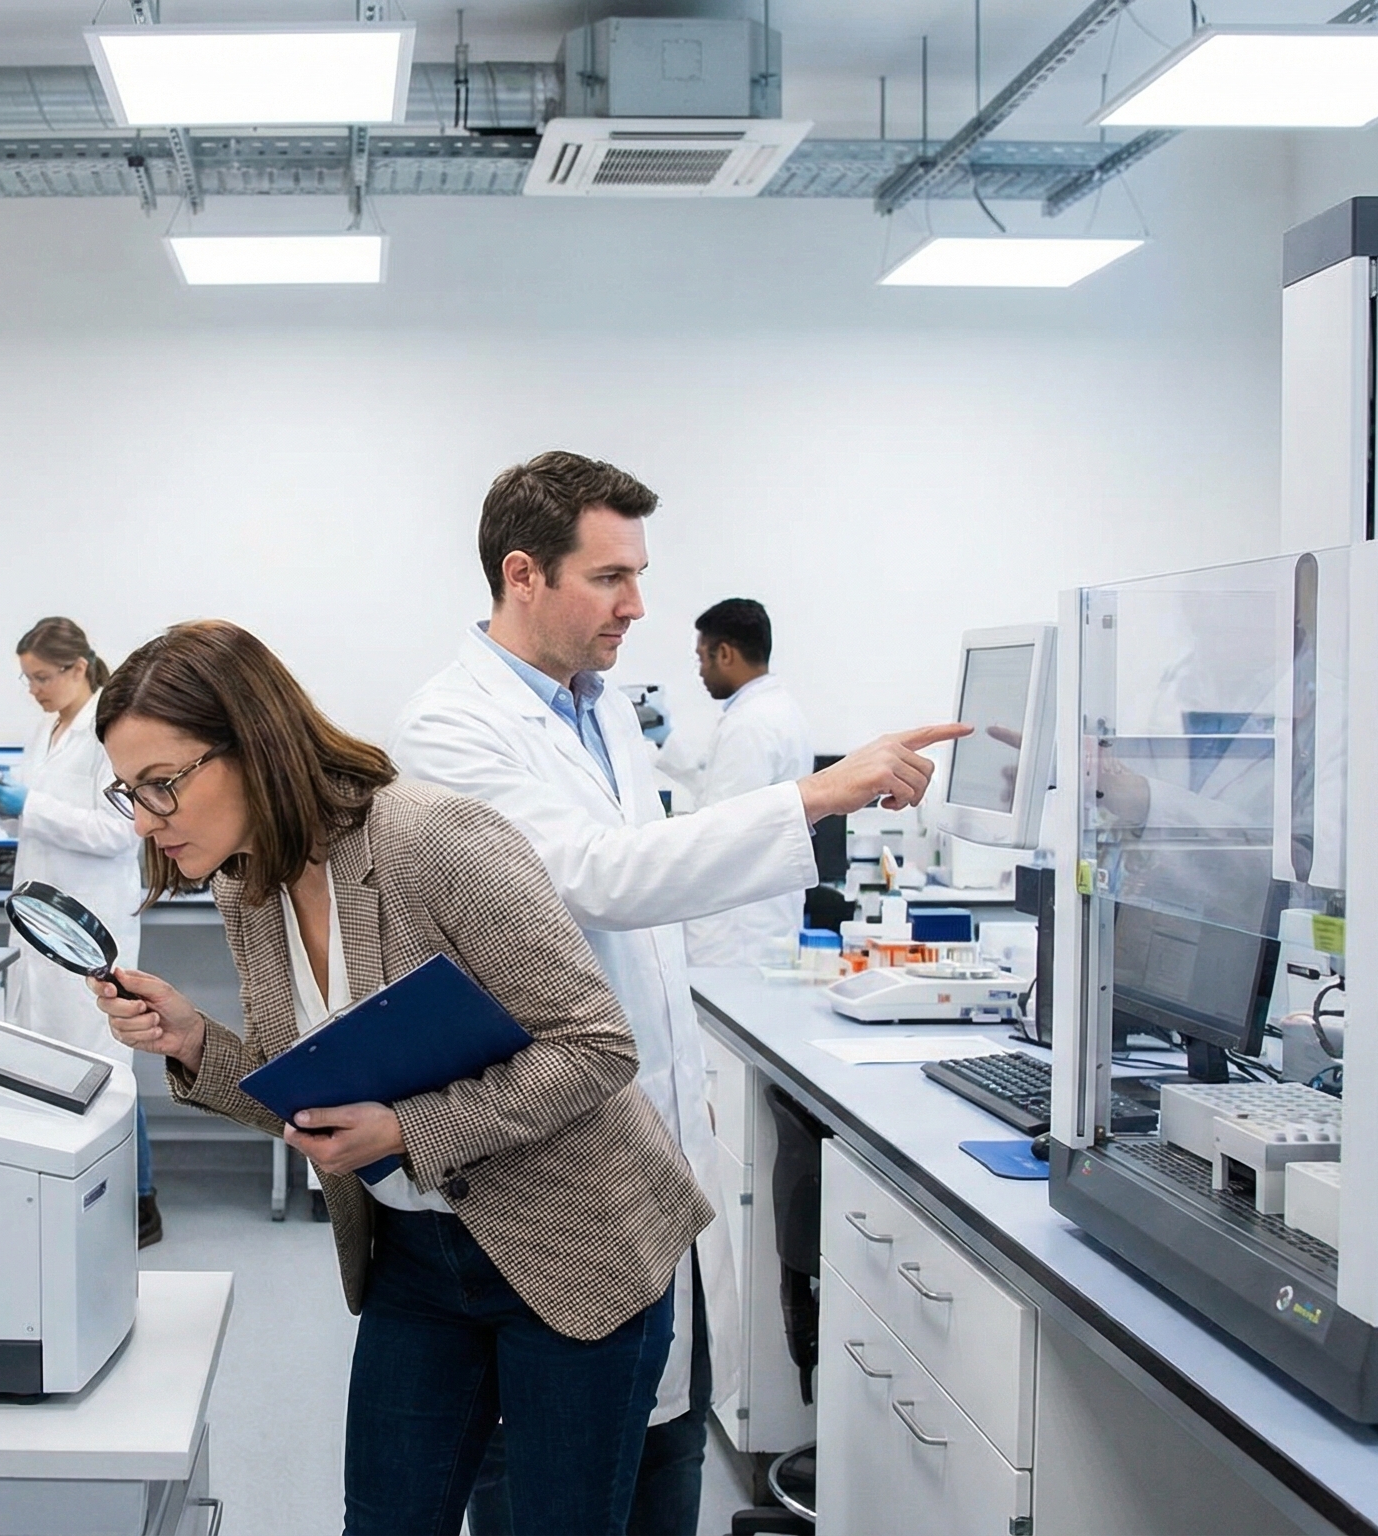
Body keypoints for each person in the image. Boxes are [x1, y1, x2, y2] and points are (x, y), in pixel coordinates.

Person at [391, 451, 965, 1536]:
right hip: (552, 1177)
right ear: (524, 574)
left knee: (662, 1468)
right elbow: (593, 876)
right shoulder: (449, 726)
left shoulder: (595, 708)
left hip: (651, 1141)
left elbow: (644, 887)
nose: (638, 605)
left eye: (637, 575)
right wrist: (825, 792)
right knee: (554, 1493)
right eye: (610, 577)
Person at [86, 620, 707, 1535]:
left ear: (253, 747)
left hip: (576, 1241)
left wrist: (408, 1132)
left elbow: (595, 1045)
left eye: (162, 785)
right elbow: (318, 1096)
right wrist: (191, 1041)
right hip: (416, 1262)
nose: (143, 820)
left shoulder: (434, 840)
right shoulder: (246, 883)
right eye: (128, 793)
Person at [0, 616, 164, 1246]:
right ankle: (67, 1190)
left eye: (41, 676)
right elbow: (40, 824)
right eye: (26, 678)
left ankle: (137, 1205)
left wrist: (28, 806)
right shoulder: (49, 729)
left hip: (89, 919)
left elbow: (118, 831)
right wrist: (5, 809)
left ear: (76, 668)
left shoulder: (104, 732)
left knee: (104, 1061)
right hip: (42, 917)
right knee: (51, 1056)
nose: (33, 688)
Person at [664, 598, 816, 963]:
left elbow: (722, 827)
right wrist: (663, 741)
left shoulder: (749, 724)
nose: (701, 671)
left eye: (703, 658)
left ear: (726, 654)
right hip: (759, 918)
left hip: (738, 932)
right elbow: (727, 794)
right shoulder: (774, 711)